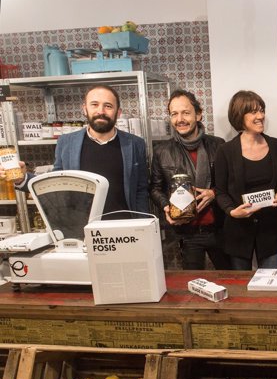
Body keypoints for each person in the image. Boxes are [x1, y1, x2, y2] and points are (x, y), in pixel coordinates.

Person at [2, 84, 149, 216]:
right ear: (85, 109)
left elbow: (141, 190)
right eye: (94, 105)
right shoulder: (66, 143)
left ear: (118, 112)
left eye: (108, 106)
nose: (101, 111)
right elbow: (55, 184)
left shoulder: (135, 144)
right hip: (82, 227)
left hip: (125, 228)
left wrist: (142, 223)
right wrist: (22, 178)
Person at [150, 89, 230, 270]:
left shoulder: (219, 145)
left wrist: (214, 193)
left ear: (199, 114)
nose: (180, 119)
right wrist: (166, 207)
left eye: (186, 112)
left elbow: (231, 183)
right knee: (193, 284)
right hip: (186, 232)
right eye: (174, 114)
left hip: (219, 229)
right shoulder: (162, 152)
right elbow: (155, 188)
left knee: (230, 279)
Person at [215, 91, 277, 270]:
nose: (260, 116)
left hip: (270, 232)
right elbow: (220, 191)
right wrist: (232, 212)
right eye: (253, 112)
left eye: (261, 110)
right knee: (241, 289)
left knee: (271, 287)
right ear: (240, 116)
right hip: (238, 232)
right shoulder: (226, 151)